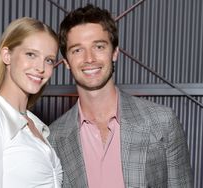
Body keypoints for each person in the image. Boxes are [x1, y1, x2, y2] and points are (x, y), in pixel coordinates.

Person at [48, 4, 193, 188]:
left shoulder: (162, 122)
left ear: (115, 52)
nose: (89, 58)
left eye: (99, 46)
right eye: (77, 50)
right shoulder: (54, 137)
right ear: (67, 62)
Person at [0, 17, 62, 188]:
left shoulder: (37, 126)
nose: (41, 68)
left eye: (49, 60)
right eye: (31, 54)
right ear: (7, 56)